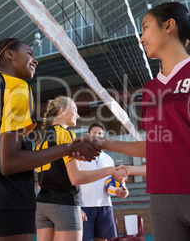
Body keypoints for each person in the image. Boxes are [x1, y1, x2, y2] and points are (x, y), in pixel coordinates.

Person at [76, 2, 190, 241]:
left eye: (144, 28)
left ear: (169, 26)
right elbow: (154, 147)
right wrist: (103, 143)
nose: (141, 38)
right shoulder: (151, 89)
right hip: (162, 199)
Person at [0, 38, 100, 241]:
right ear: (10, 55)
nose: (35, 60)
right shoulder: (16, 86)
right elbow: (9, 163)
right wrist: (68, 147)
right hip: (5, 200)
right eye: (30, 53)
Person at [35, 97, 128, 241]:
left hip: (42, 205)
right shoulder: (66, 135)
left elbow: (40, 181)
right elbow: (76, 178)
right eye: (75, 110)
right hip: (63, 203)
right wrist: (110, 170)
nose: (78, 115)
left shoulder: (40, 140)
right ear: (62, 111)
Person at [79, 122, 129, 241]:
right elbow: (73, 182)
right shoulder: (79, 157)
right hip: (84, 205)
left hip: (105, 206)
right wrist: (77, 207)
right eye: (94, 132)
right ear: (88, 135)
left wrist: (119, 190)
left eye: (100, 133)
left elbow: (109, 185)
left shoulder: (109, 160)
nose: (97, 135)